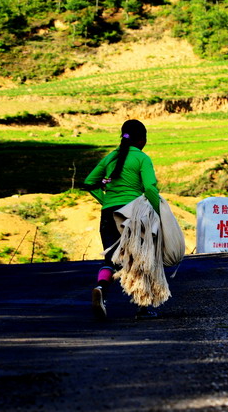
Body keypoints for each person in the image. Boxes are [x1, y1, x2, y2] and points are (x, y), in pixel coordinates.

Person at [84, 119, 161, 320]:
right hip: (133, 213)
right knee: (140, 258)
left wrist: (106, 200)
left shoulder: (110, 158)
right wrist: (159, 212)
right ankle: (144, 308)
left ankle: (101, 287)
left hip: (108, 213)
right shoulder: (142, 159)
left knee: (111, 258)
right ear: (142, 139)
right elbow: (150, 188)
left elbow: (90, 182)